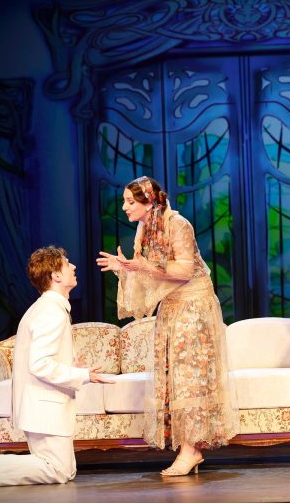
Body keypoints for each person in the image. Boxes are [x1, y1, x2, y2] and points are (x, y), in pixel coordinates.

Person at [96, 176, 238, 476]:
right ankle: (189, 448)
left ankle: (192, 450)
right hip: (172, 307)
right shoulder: (144, 230)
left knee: (190, 378)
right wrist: (125, 268)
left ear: (148, 203)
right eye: (124, 202)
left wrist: (143, 266)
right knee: (174, 377)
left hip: (194, 307)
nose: (124, 207)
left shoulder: (178, 224)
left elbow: (184, 270)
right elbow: (148, 274)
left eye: (130, 202)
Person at [0, 246, 113, 489]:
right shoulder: (51, 312)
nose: (73, 266)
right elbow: (39, 364)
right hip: (45, 407)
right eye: (67, 263)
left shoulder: (48, 308)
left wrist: (71, 365)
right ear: (55, 275)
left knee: (64, 469)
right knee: (58, 470)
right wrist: (83, 374)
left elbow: (42, 358)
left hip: (42, 405)